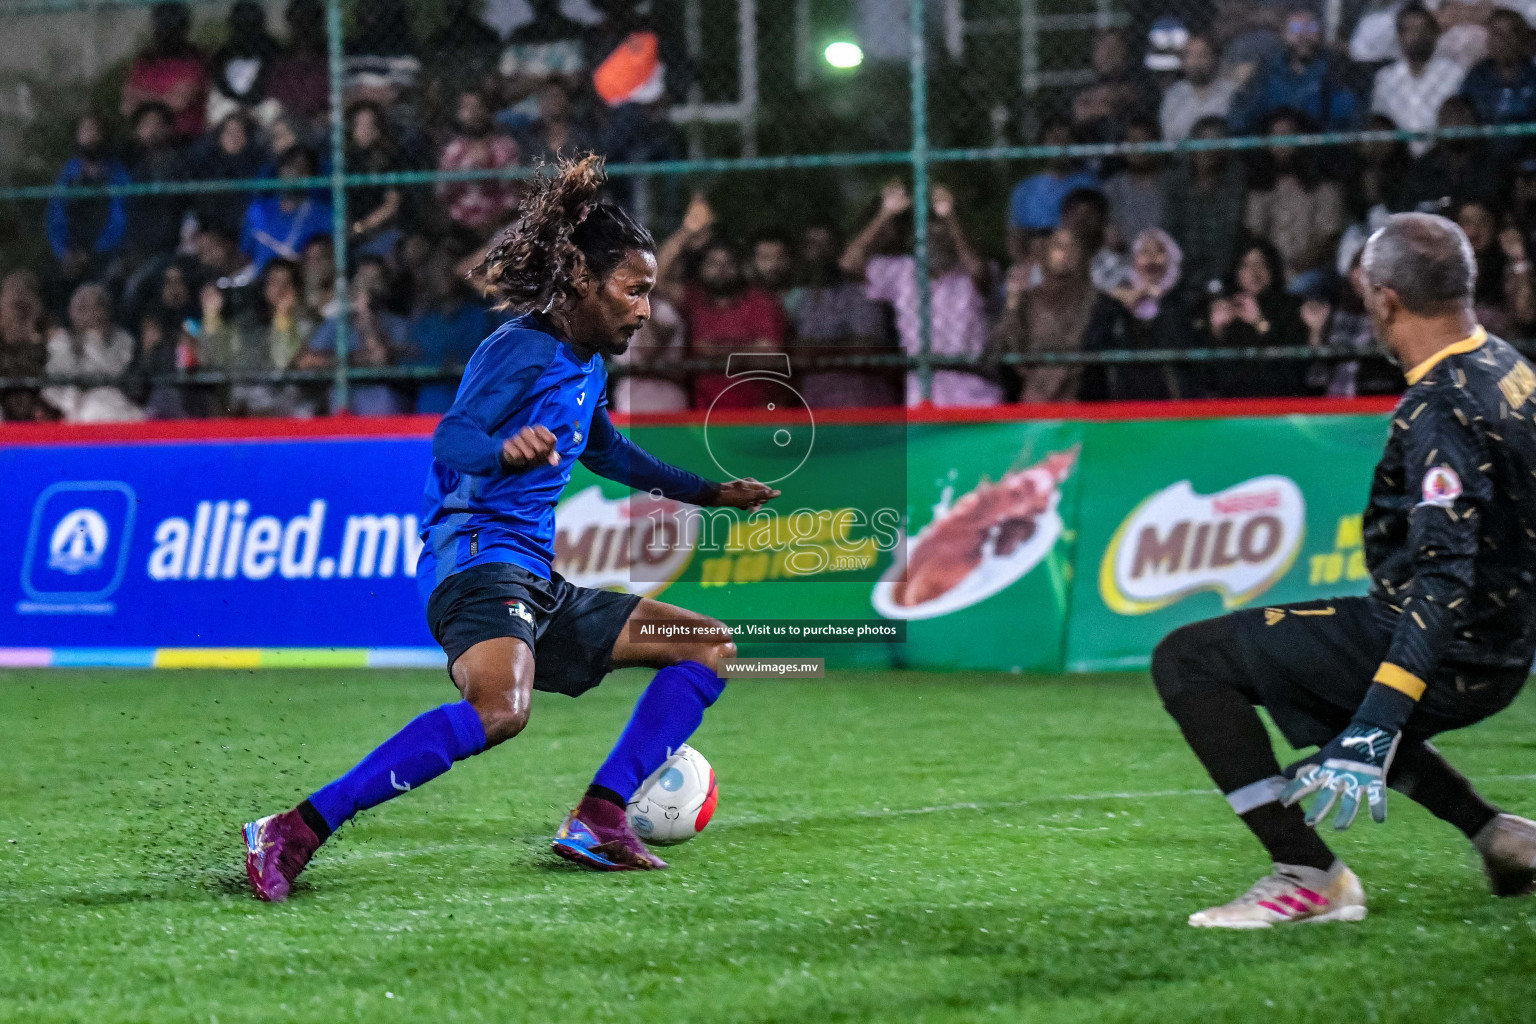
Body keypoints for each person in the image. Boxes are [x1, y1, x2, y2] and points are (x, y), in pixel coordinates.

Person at [241, 155, 779, 900]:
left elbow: (607, 449)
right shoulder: (520, 348)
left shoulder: (588, 361)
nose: (646, 308)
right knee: (500, 710)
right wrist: (501, 448)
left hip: (533, 574)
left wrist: (709, 494)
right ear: (584, 284)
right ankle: (292, 829)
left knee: (707, 644)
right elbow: (452, 437)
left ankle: (600, 818)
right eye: (635, 289)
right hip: (476, 561)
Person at [1153, 212, 1536, 928]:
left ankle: (1307, 875)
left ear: (1383, 297)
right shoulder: (1508, 367)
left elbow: (1441, 579)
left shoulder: (1441, 406)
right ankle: (1503, 837)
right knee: (1318, 672)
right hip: (1502, 648)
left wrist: (1376, 727)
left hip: (1445, 645)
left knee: (1189, 658)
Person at [844, 182, 1002, 407]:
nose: (934, 244)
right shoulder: (903, 271)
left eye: (942, 237)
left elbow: (978, 271)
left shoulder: (972, 274)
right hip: (923, 390)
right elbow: (850, 263)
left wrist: (951, 218)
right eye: (928, 238)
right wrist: (885, 213)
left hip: (974, 389)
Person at [654, 194, 789, 410]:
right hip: (705, 417)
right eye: (713, 263)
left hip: (758, 415)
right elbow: (655, 280)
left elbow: (769, 354)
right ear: (701, 268)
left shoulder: (761, 302)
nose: (721, 270)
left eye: (728, 263)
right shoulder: (694, 300)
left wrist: (712, 351)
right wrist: (688, 231)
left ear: (740, 266)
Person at [1081, 228, 1203, 400]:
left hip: (1172, 409)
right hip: (1123, 409)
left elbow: (1188, 352)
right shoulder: (1114, 304)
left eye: (1160, 251)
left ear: (1171, 258)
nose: (1152, 259)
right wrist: (1120, 304)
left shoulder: (1185, 302)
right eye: (1145, 252)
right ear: (1134, 260)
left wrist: (1163, 302)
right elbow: (1093, 350)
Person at [785, 223, 897, 409]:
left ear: (839, 249)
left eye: (826, 244)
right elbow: (794, 353)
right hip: (815, 405)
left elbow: (865, 349)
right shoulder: (802, 297)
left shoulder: (862, 292)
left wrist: (814, 349)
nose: (819, 252)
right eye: (812, 244)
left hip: (858, 404)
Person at [1244, 109, 1346, 291]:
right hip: (1269, 269)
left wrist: (1292, 270)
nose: (1282, 142)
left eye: (1288, 134)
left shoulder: (1324, 185)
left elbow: (1326, 239)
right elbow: (1256, 234)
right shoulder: (1261, 185)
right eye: (1275, 135)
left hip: (1311, 271)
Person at [298, 257, 414, 415]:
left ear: (386, 286)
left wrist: (366, 317)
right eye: (364, 280)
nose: (369, 287)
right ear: (353, 285)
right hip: (344, 412)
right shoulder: (338, 323)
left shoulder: (398, 324)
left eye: (375, 280)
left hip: (385, 415)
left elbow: (381, 359)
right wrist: (358, 359)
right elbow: (307, 361)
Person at [199, 259, 314, 417]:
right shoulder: (247, 322)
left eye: (286, 283)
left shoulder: (307, 322)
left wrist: (283, 317)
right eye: (274, 282)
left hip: (288, 404)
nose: (280, 289)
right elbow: (218, 360)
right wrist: (212, 317)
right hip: (245, 403)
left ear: (297, 288)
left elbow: (282, 361)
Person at [995, 226, 1096, 403]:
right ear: (1046, 253)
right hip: (1034, 402)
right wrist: (1012, 304)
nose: (1065, 253)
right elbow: (1007, 348)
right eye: (1058, 246)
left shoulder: (1092, 299)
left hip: (1074, 403)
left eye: (1072, 247)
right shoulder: (1028, 299)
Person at [1206, 240, 1315, 397]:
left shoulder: (1291, 307)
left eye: (1261, 264)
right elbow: (1210, 374)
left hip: (1278, 401)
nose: (1254, 272)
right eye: (1246, 265)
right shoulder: (1226, 305)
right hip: (1232, 405)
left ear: (1272, 269)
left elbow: (1292, 366)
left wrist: (1259, 322)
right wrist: (1216, 330)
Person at [1231, 7, 1358, 133]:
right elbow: (1245, 114)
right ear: (1283, 33)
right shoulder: (1267, 71)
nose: (1302, 35)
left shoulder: (1334, 70)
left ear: (1321, 33)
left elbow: (1344, 113)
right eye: (1295, 28)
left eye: (1310, 28)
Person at [1163, 115, 1247, 293]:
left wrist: (1215, 278)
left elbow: (1230, 233)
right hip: (1180, 273)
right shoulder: (1176, 182)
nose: (1208, 148)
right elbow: (1170, 229)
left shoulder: (1235, 182)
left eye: (1215, 141)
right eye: (1202, 140)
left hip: (1224, 273)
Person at [408, 246, 496, 414]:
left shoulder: (482, 317)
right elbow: (409, 363)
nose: (443, 277)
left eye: (448, 270)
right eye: (437, 271)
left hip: (471, 413)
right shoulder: (423, 323)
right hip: (429, 414)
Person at [1371, 4, 1467, 156]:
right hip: (1397, 158)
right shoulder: (1385, 78)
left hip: (1441, 155)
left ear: (1434, 33)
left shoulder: (1454, 73)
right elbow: (1380, 123)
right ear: (1399, 37)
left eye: (1422, 29)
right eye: (1409, 30)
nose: (1416, 36)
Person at [43, 283, 143, 423]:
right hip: (77, 408)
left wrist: (96, 340)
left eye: (98, 306)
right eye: (83, 308)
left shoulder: (124, 339)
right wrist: (74, 401)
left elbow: (115, 374)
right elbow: (52, 386)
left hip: (119, 403)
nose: (92, 313)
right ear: (72, 312)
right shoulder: (62, 341)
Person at [1006, 119, 1098, 259]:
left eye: (1066, 140)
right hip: (1036, 261)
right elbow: (1015, 238)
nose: (1060, 146)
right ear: (1042, 143)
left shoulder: (1088, 184)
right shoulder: (1025, 189)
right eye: (1054, 139)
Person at [1398, 96, 1508, 212]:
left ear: (1474, 121)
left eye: (1460, 115)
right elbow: (1408, 205)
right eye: (1448, 116)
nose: (1454, 123)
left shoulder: (1492, 162)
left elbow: (1495, 204)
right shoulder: (1424, 166)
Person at [120, 1, 210, 140]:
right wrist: (165, 96)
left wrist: (143, 96)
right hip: (145, 138)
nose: (166, 34)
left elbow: (178, 103)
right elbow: (126, 107)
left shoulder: (194, 60)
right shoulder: (145, 61)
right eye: (162, 28)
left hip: (184, 137)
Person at [438, 89, 522, 236]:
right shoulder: (452, 151)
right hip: (461, 226)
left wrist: (497, 220)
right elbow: (443, 194)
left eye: (476, 107)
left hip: (501, 223)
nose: (471, 114)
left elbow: (514, 190)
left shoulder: (505, 147)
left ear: (487, 112)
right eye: (466, 107)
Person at [1457, 8, 1536, 156]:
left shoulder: (1532, 76)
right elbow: (1463, 114)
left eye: (1510, 34)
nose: (1503, 41)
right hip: (1484, 162)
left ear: (1521, 39)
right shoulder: (1477, 76)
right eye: (1497, 34)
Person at [240, 147, 331, 271]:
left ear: (312, 175)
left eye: (302, 169)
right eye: (289, 166)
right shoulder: (258, 210)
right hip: (259, 282)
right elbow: (245, 254)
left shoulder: (323, 215)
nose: (294, 173)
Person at [1456, 199, 1536, 336]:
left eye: (1483, 222)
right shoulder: (1448, 268)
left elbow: (1526, 315)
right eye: (1466, 222)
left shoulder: (1510, 269)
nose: (1473, 231)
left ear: (1496, 227)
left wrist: (1520, 260)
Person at [187, 111, 266, 241]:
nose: (233, 137)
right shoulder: (206, 164)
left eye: (239, 132)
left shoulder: (259, 166)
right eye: (228, 132)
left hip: (243, 233)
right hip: (208, 231)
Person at [345, 102, 408, 258]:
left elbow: (391, 205)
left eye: (370, 125)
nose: (366, 130)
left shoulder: (389, 160)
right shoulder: (345, 159)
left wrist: (360, 227)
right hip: (348, 230)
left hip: (380, 231)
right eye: (360, 125)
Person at [208, 0, 282, 126]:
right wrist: (238, 106)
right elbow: (220, 84)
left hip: (261, 107)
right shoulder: (224, 53)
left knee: (273, 107)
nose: (246, 29)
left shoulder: (272, 50)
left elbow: (272, 82)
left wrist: (248, 106)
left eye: (251, 23)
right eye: (240, 24)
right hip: (230, 107)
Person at [1100, 119, 1167, 251]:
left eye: (1144, 141)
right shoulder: (1113, 187)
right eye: (1132, 141)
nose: (1137, 148)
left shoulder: (1171, 185)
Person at [0, 271, 58, 422]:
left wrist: (33, 336)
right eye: (12, 291)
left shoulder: (55, 339)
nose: (19, 295)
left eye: (26, 291)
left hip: (42, 407)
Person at [1160, 33, 1240, 142]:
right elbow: (1168, 137)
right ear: (1183, 62)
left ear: (1214, 58)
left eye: (1202, 55)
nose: (1196, 62)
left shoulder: (1231, 92)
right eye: (1190, 56)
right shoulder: (1173, 95)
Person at [266, 0, 330, 125]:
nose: (304, 27)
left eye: (310, 21)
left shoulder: (330, 60)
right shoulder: (281, 62)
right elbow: (276, 101)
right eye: (299, 22)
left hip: (322, 123)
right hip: (288, 123)